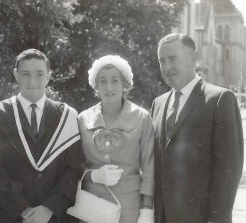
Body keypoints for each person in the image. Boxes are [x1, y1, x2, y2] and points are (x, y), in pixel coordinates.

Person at [0, 49, 84, 223]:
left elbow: (73, 168)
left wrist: (49, 207)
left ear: (48, 76)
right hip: (12, 216)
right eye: (25, 74)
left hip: (56, 216)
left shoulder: (67, 116)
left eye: (39, 74)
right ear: (16, 75)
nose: (33, 81)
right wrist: (23, 209)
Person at [151, 33, 244, 223]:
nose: (167, 67)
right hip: (163, 216)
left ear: (193, 58)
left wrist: (217, 219)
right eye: (162, 61)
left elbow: (229, 168)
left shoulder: (219, 99)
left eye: (172, 59)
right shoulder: (158, 104)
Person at [77, 55, 155, 223]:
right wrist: (94, 176)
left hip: (129, 209)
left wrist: (146, 211)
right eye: (103, 81)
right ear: (96, 85)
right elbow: (74, 166)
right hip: (91, 208)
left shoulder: (142, 118)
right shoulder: (83, 119)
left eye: (115, 80)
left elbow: (150, 167)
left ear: (124, 84)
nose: (109, 87)